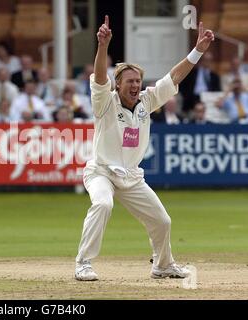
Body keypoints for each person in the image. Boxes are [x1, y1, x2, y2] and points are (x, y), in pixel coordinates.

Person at [75, 15, 214, 281]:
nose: (136, 85)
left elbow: (174, 77)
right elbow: (100, 78)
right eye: (130, 81)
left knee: (162, 221)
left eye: (138, 81)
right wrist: (102, 45)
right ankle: (83, 262)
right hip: (101, 172)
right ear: (118, 84)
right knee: (103, 204)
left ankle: (162, 265)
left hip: (131, 177)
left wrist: (198, 51)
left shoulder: (146, 101)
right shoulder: (105, 101)